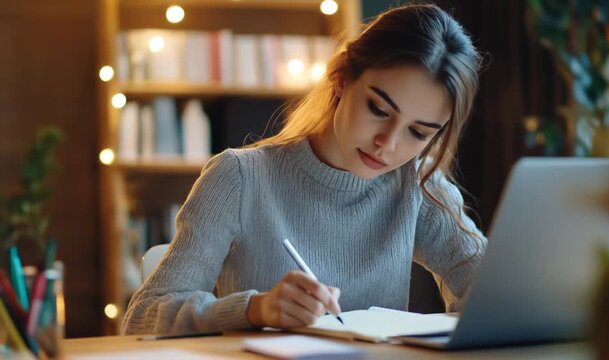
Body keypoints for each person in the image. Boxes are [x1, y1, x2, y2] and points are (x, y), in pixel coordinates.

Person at [123, 3, 487, 335]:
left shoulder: (418, 186)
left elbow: (493, 296)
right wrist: (254, 309)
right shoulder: (239, 178)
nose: (388, 144)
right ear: (342, 77)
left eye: (418, 132)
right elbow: (143, 316)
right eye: (378, 109)